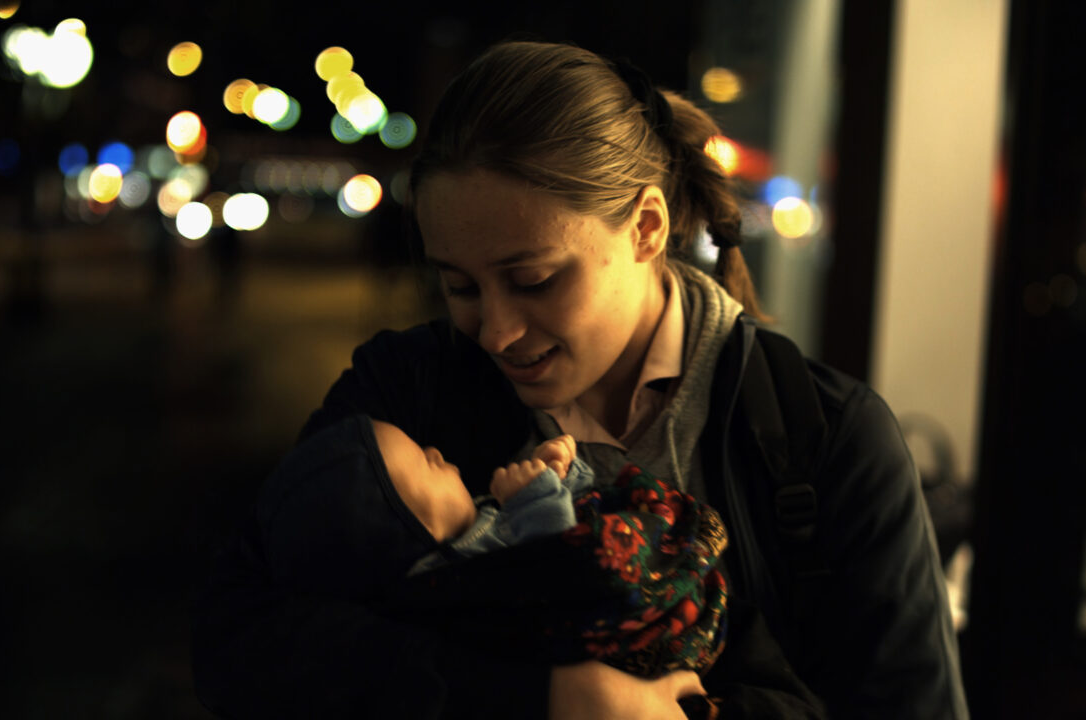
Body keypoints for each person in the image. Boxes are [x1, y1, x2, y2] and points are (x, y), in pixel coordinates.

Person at [193, 39, 968, 719]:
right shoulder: (408, 392)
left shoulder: (822, 437)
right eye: (459, 286)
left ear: (647, 227)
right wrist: (537, 700)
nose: (494, 332)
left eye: (532, 280)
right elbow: (237, 641)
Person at [254, 413, 757, 712]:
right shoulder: (461, 575)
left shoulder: (471, 533)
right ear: (414, 534)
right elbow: (559, 570)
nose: (436, 450)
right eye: (425, 462)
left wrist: (562, 475)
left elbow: (569, 522)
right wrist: (537, 496)